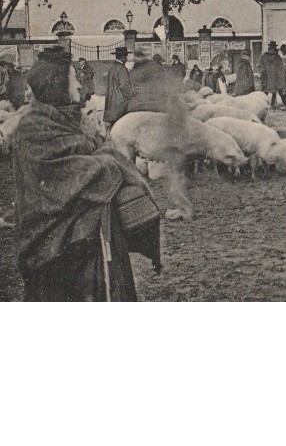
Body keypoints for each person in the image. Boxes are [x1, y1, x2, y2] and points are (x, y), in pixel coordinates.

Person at [13, 47, 160, 301]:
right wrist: (106, 162)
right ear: (56, 85)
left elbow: (102, 155)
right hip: (59, 251)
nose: (81, 86)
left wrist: (103, 157)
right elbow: (69, 177)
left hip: (95, 244)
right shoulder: (33, 129)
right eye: (73, 79)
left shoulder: (75, 122)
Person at [128, 49, 176, 113]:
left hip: (145, 100)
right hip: (154, 100)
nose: (136, 59)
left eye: (138, 57)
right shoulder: (157, 67)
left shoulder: (139, 68)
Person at [104, 46, 132, 125]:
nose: (126, 59)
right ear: (122, 57)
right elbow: (124, 86)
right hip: (120, 103)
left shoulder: (112, 68)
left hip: (111, 103)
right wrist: (131, 98)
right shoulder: (122, 69)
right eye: (125, 56)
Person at [260, 41, 285, 110]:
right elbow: (281, 67)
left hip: (266, 77)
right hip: (274, 77)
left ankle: (264, 104)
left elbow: (261, 66)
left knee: (265, 91)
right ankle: (272, 105)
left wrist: (263, 73)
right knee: (274, 92)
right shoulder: (277, 57)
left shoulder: (263, 56)